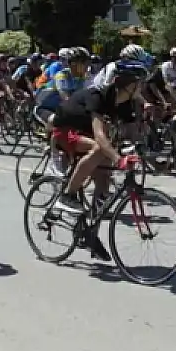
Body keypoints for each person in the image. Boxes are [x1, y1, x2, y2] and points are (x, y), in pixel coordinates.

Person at [49, 60, 146, 260]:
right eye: (140, 82)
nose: (143, 86)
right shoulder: (98, 96)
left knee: (104, 182)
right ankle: (67, 195)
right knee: (100, 149)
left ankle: (89, 232)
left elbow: (132, 135)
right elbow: (100, 137)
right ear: (127, 84)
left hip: (85, 135)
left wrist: (153, 160)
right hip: (64, 131)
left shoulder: (125, 103)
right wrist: (119, 159)